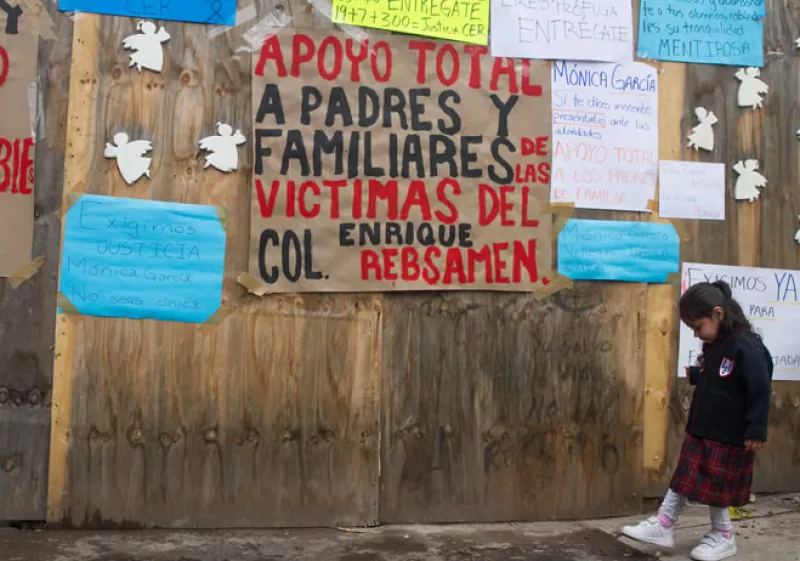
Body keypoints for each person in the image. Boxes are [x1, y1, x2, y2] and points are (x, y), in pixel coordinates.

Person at [622, 281, 773, 561]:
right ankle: (664, 522)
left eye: (698, 326)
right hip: (703, 429)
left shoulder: (746, 345)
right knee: (684, 477)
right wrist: (698, 375)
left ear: (717, 314)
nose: (696, 333)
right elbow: (721, 377)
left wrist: (757, 428)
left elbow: (760, 387)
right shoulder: (717, 343)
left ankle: (723, 535)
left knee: (718, 488)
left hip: (728, 434)